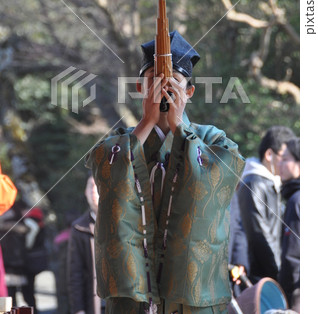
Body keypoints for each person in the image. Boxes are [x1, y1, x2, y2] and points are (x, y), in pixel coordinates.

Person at [86, 30, 245, 314]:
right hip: (133, 301)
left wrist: (180, 131)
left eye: (174, 84)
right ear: (140, 88)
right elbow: (106, 177)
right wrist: (146, 122)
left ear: (189, 92)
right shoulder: (119, 143)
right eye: (154, 82)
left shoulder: (211, 140)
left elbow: (220, 182)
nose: (164, 91)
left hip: (193, 300)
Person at [238, 126, 295, 284]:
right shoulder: (254, 183)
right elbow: (260, 236)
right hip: (258, 278)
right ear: (269, 154)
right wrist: (280, 274)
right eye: (284, 158)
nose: (287, 164)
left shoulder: (270, 183)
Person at [67, 174, 105, 314]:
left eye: (97, 186)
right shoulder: (78, 228)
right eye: (90, 186)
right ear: (85, 192)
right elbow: (75, 274)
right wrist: (78, 309)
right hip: (93, 304)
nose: (93, 190)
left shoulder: (120, 223)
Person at [278, 137, 300, 311]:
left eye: (286, 159)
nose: (280, 164)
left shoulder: (297, 200)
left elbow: (292, 256)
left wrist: (284, 296)